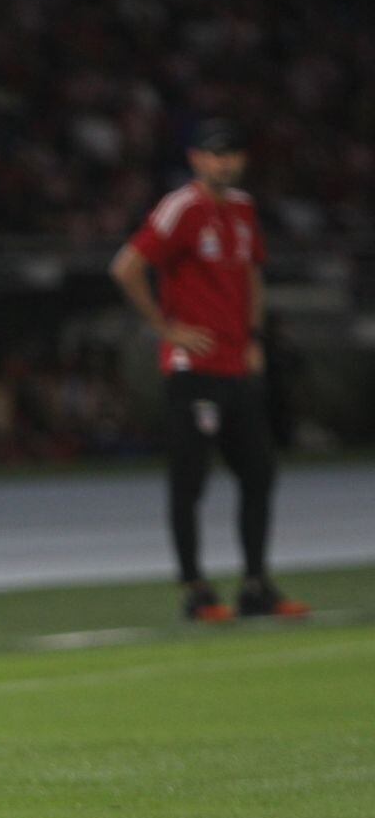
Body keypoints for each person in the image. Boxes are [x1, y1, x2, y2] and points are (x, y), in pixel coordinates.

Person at [109, 119, 309, 622]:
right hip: (193, 366)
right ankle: (196, 589)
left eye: (234, 153)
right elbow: (127, 266)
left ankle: (256, 583)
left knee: (259, 473)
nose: (227, 163)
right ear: (196, 159)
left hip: (236, 365)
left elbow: (252, 277)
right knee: (189, 481)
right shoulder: (182, 208)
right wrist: (165, 328)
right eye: (216, 155)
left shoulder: (242, 209)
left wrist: (255, 338)